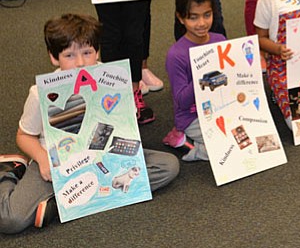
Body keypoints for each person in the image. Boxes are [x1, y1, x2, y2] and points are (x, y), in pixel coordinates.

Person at [0, 14, 179, 234]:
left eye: (87, 52)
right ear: (54, 58)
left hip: (104, 158)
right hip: (57, 162)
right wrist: (42, 158)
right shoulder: (42, 93)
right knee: (11, 219)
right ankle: (8, 173)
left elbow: (126, 124)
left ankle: (67, 201)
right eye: (69, 55)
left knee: (168, 166)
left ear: (97, 51)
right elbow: (24, 136)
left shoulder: (113, 80)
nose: (81, 63)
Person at [163, 0, 225, 159]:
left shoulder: (219, 40)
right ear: (181, 18)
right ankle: (187, 146)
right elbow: (182, 101)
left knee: (249, 132)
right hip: (191, 116)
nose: (202, 23)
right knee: (225, 149)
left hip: (220, 106)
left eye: (207, 15)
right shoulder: (176, 55)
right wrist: (201, 76)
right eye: (193, 17)